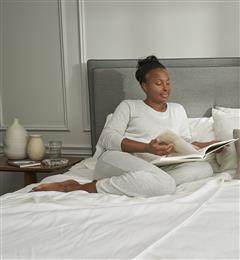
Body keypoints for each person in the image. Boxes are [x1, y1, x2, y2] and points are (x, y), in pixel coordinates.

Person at [32, 55, 218, 196]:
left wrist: (210, 146)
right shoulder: (129, 106)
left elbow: (184, 143)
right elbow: (107, 138)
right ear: (144, 86)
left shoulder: (178, 109)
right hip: (118, 160)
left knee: (205, 168)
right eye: (158, 83)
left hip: (159, 167)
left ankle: (148, 182)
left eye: (168, 83)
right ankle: (77, 186)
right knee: (166, 185)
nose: (166, 88)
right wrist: (147, 147)